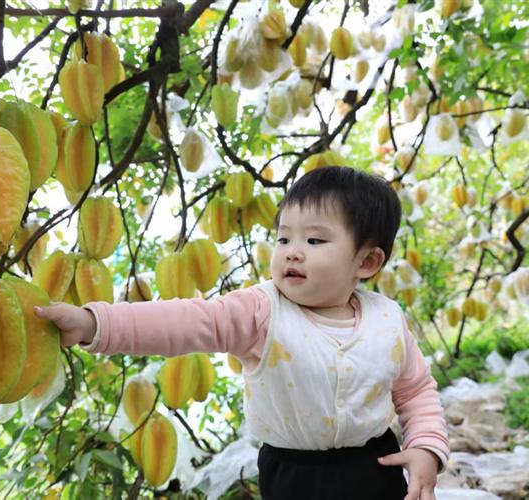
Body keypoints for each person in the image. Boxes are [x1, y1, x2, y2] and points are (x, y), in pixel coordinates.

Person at [35, 166, 448, 500]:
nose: (292, 251)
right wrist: (96, 323)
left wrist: (427, 448)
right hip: (294, 476)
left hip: (375, 466)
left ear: (367, 262)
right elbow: (185, 321)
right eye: (283, 238)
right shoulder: (262, 310)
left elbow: (415, 391)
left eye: (314, 239)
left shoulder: (386, 319)